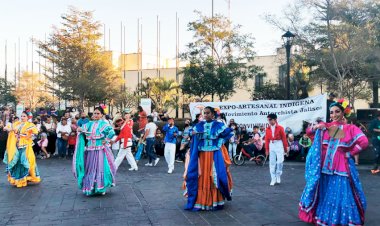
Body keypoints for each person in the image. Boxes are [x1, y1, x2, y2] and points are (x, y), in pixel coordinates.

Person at [299, 99, 368, 226]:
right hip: (325, 168)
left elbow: (364, 142)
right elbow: (309, 132)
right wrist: (317, 126)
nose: (334, 114)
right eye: (331, 112)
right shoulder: (325, 127)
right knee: (325, 193)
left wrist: (350, 153)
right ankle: (324, 217)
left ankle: (342, 219)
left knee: (342, 194)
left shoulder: (350, 128)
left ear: (343, 113)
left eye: (337, 111)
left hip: (342, 168)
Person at [185, 106, 233, 211]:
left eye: (207, 113)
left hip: (214, 154)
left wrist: (219, 141)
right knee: (201, 175)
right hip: (202, 154)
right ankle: (201, 201)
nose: (205, 115)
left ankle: (214, 200)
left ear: (213, 114)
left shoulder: (218, 125)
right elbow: (189, 133)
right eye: (204, 113)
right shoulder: (199, 125)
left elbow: (227, 134)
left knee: (214, 175)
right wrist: (192, 134)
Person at [73, 106, 117, 196]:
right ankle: (92, 187)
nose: (96, 115)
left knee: (100, 167)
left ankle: (101, 187)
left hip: (100, 149)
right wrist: (79, 129)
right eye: (95, 113)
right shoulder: (89, 124)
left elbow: (112, 132)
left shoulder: (104, 124)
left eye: (98, 113)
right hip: (90, 150)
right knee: (90, 168)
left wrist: (107, 139)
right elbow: (79, 129)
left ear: (101, 115)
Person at [3, 111, 41, 187]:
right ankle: (19, 179)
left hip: (25, 146)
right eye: (22, 116)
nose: (22, 117)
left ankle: (26, 178)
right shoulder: (17, 124)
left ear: (27, 117)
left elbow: (35, 134)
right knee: (17, 161)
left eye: (24, 116)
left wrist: (26, 136)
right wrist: (9, 129)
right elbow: (6, 128)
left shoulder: (30, 125)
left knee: (26, 161)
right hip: (16, 145)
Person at [265, 113, 288, 186]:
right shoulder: (267, 129)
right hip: (272, 145)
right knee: (272, 163)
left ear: (275, 120)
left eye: (270, 120)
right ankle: (273, 178)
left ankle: (278, 174)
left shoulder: (280, 128)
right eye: (268, 120)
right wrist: (266, 149)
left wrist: (285, 148)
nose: (269, 121)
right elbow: (266, 139)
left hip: (279, 144)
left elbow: (284, 138)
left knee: (280, 162)